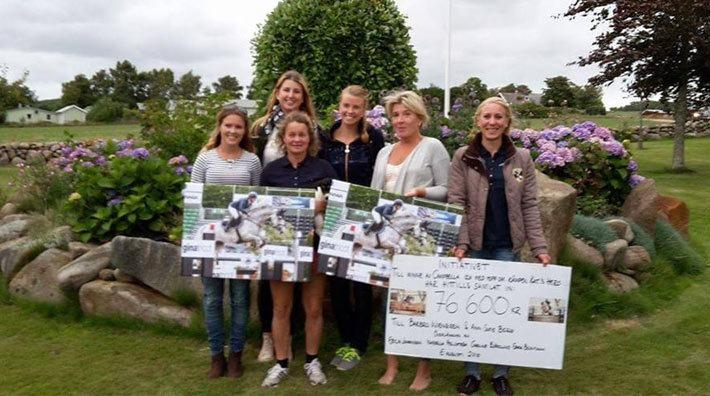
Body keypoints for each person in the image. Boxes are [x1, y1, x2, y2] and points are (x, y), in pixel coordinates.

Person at [448, 96, 551, 396]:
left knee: (505, 313)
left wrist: (539, 247)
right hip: (476, 246)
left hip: (507, 246)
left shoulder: (522, 159)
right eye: (487, 117)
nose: (492, 122)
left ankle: (501, 373)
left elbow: (530, 205)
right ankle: (472, 371)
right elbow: (457, 202)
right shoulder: (462, 157)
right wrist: (462, 242)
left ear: (507, 122)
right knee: (473, 312)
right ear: (477, 120)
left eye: (498, 117)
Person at [370, 90, 450, 391]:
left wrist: (422, 192)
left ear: (419, 117)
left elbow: (447, 188)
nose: (400, 120)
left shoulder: (433, 147)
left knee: (418, 302)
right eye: (395, 115)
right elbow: (374, 194)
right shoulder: (383, 152)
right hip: (387, 240)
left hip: (419, 240)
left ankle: (423, 369)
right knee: (389, 304)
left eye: (406, 114)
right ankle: (392, 364)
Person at [260, 111, 337, 387]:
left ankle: (312, 361)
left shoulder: (324, 169)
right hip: (280, 248)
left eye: (302, 135)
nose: (296, 139)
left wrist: (323, 207)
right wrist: (308, 207)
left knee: (314, 309)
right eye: (291, 134)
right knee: (281, 308)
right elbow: (264, 212)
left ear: (310, 138)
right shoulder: (270, 172)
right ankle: (281, 363)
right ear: (283, 138)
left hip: (314, 246)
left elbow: (335, 210)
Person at [190, 106, 261, 379]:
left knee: (241, 299)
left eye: (238, 127)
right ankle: (216, 356)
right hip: (210, 240)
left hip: (241, 242)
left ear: (244, 131)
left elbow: (256, 201)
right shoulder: (204, 159)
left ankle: (236, 356)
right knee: (211, 300)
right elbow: (195, 199)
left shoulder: (252, 161)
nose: (233, 131)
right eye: (228, 125)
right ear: (220, 127)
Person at [252, 70, 318, 361]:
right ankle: (270, 338)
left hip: (304, 217)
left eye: (297, 91)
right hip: (272, 209)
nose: (291, 96)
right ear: (277, 92)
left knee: (303, 283)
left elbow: (318, 169)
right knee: (270, 283)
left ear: (303, 97)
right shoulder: (261, 127)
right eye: (286, 90)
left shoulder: (314, 128)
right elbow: (255, 168)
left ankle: (293, 339)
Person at [318, 85, 384, 371]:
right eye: (346, 106)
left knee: (362, 282)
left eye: (356, 107)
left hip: (365, 218)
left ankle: (359, 341)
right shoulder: (325, 138)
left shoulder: (374, 138)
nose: (350, 111)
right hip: (333, 219)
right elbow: (318, 174)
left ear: (364, 109)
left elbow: (380, 177)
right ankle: (345, 339)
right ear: (339, 105)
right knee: (339, 282)